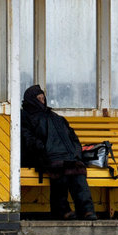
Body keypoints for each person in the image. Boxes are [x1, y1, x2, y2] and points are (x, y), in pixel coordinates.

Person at [20, 85, 97, 220]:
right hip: (42, 156)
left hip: (65, 155)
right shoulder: (25, 116)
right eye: (39, 99)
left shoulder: (54, 116)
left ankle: (86, 210)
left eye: (43, 98)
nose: (42, 101)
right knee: (60, 169)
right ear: (31, 100)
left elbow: (72, 137)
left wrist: (76, 152)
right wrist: (43, 149)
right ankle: (62, 210)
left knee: (77, 170)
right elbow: (27, 138)